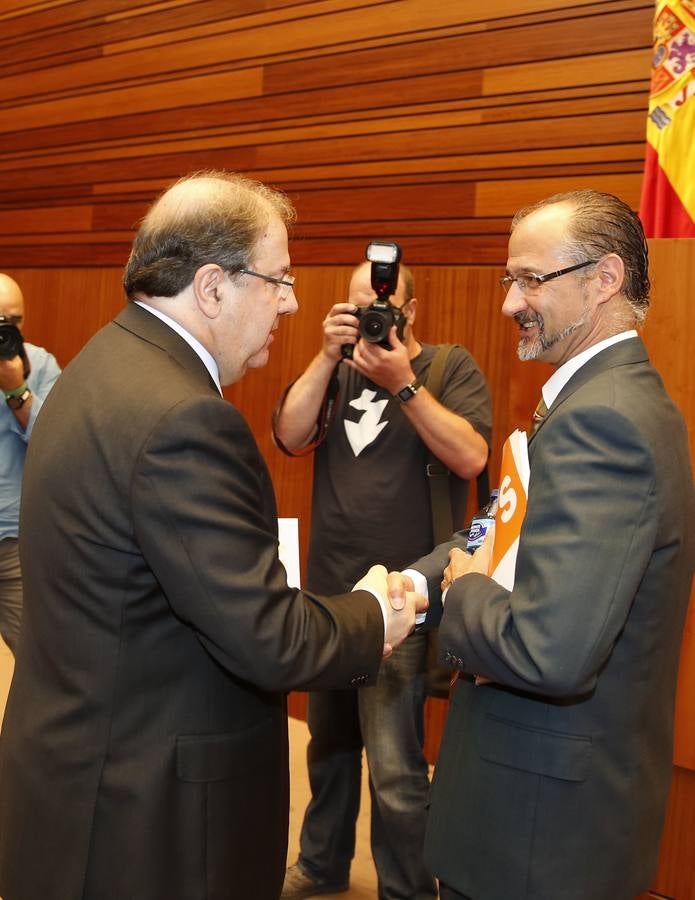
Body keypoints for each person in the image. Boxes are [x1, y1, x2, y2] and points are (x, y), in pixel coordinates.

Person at [0, 172, 426, 900]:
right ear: (211, 287)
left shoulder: (97, 364)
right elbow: (267, 638)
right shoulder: (183, 417)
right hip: (149, 815)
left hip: (79, 773)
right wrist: (376, 614)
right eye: (278, 279)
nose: (291, 302)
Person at [389, 190, 695, 900]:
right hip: (532, 813)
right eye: (508, 280)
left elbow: (548, 651)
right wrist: (416, 582)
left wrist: (461, 590)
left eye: (531, 280)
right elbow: (500, 527)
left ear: (603, 279)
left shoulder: (605, 422)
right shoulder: (588, 401)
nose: (508, 303)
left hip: (538, 836)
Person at [273, 259, 492, 899]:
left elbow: (473, 456)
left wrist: (403, 384)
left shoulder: (449, 368)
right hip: (332, 592)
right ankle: (322, 865)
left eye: (382, 306)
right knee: (328, 746)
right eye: (357, 307)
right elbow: (288, 435)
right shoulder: (335, 372)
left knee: (396, 769)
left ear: (411, 312)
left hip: (406, 596)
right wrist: (324, 355)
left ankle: (405, 890)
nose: (371, 317)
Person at [0, 273, 61, 656]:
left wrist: (16, 388)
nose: (6, 329)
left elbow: (58, 443)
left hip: (15, 542)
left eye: (15, 321)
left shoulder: (38, 364)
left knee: (37, 660)